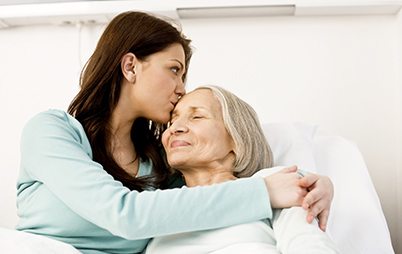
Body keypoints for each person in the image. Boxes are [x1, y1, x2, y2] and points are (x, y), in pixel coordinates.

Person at [16, 11, 333, 254]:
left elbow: (212, 182)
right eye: (174, 70)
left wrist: (313, 182)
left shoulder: (155, 166)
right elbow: (124, 214)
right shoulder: (51, 131)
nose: (181, 89)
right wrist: (265, 192)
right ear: (130, 67)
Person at [145, 85, 340, 254]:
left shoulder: (272, 184)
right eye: (172, 121)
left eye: (197, 116)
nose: (174, 128)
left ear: (237, 140)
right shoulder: (160, 208)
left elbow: (309, 245)